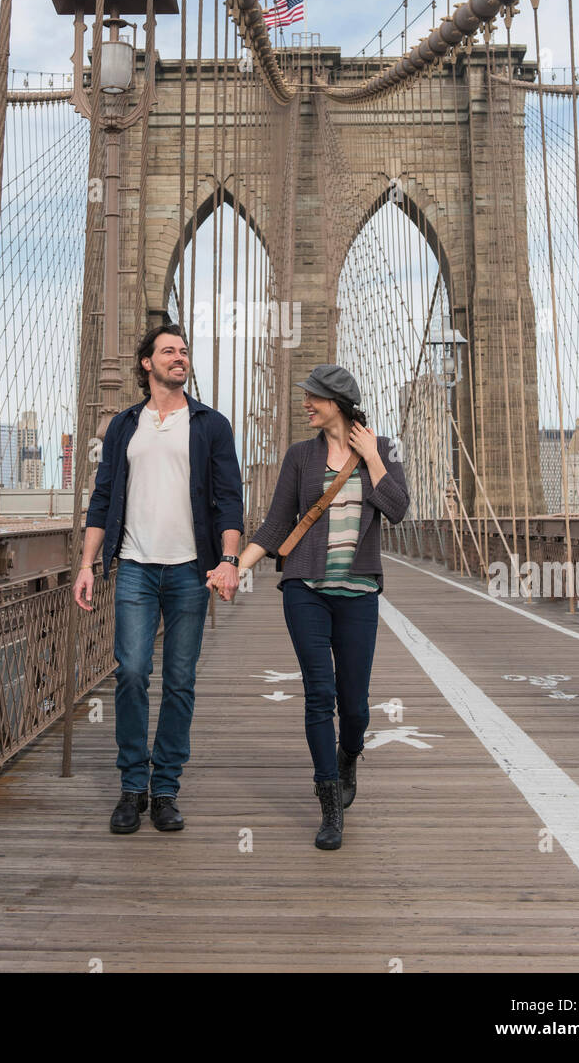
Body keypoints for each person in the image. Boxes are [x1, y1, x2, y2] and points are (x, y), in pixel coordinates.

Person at [74, 324, 243, 834]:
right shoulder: (124, 426)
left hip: (192, 570)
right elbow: (103, 498)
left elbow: (230, 498)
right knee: (129, 672)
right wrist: (87, 564)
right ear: (145, 363)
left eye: (184, 351)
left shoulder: (211, 425)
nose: (179, 357)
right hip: (135, 568)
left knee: (180, 680)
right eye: (168, 351)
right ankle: (132, 786)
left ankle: (165, 787)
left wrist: (229, 560)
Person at [237, 364, 409, 850]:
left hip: (357, 592)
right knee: (319, 695)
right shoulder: (299, 457)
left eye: (313, 397)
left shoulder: (385, 449)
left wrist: (373, 457)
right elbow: (275, 526)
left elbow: (397, 509)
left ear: (338, 402)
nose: (306, 405)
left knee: (354, 705)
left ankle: (349, 752)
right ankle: (329, 803)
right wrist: (236, 568)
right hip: (305, 588)